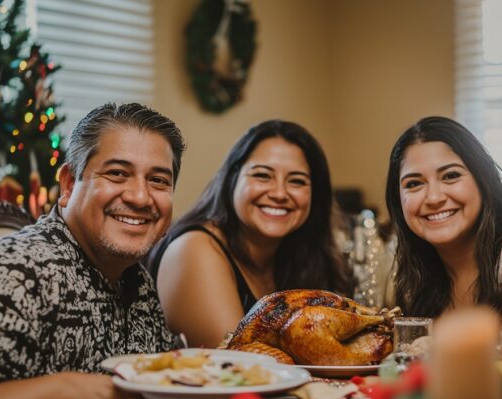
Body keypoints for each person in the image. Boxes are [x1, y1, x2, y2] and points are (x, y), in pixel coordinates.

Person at [0, 102, 185, 399]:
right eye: (116, 174)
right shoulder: (17, 271)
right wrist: (67, 388)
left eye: (158, 181)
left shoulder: (135, 278)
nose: (140, 197)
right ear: (69, 184)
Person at [145, 119, 352, 348]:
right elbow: (238, 365)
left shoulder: (298, 255)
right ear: (232, 179)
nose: (279, 193)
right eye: (262, 175)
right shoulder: (194, 249)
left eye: (297, 181)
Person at [385, 116, 502, 346]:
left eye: (451, 176)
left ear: (483, 179)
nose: (433, 198)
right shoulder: (414, 280)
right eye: (414, 183)